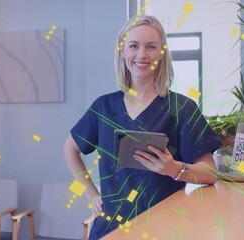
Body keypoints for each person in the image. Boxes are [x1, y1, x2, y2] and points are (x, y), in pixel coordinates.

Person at [63, 15, 222, 239]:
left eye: (151, 47)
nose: (141, 54)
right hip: (110, 229)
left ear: (162, 53)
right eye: (133, 46)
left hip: (164, 228)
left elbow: (210, 173)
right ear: (122, 51)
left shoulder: (182, 108)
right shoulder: (104, 107)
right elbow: (70, 149)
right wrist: (91, 193)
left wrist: (174, 169)